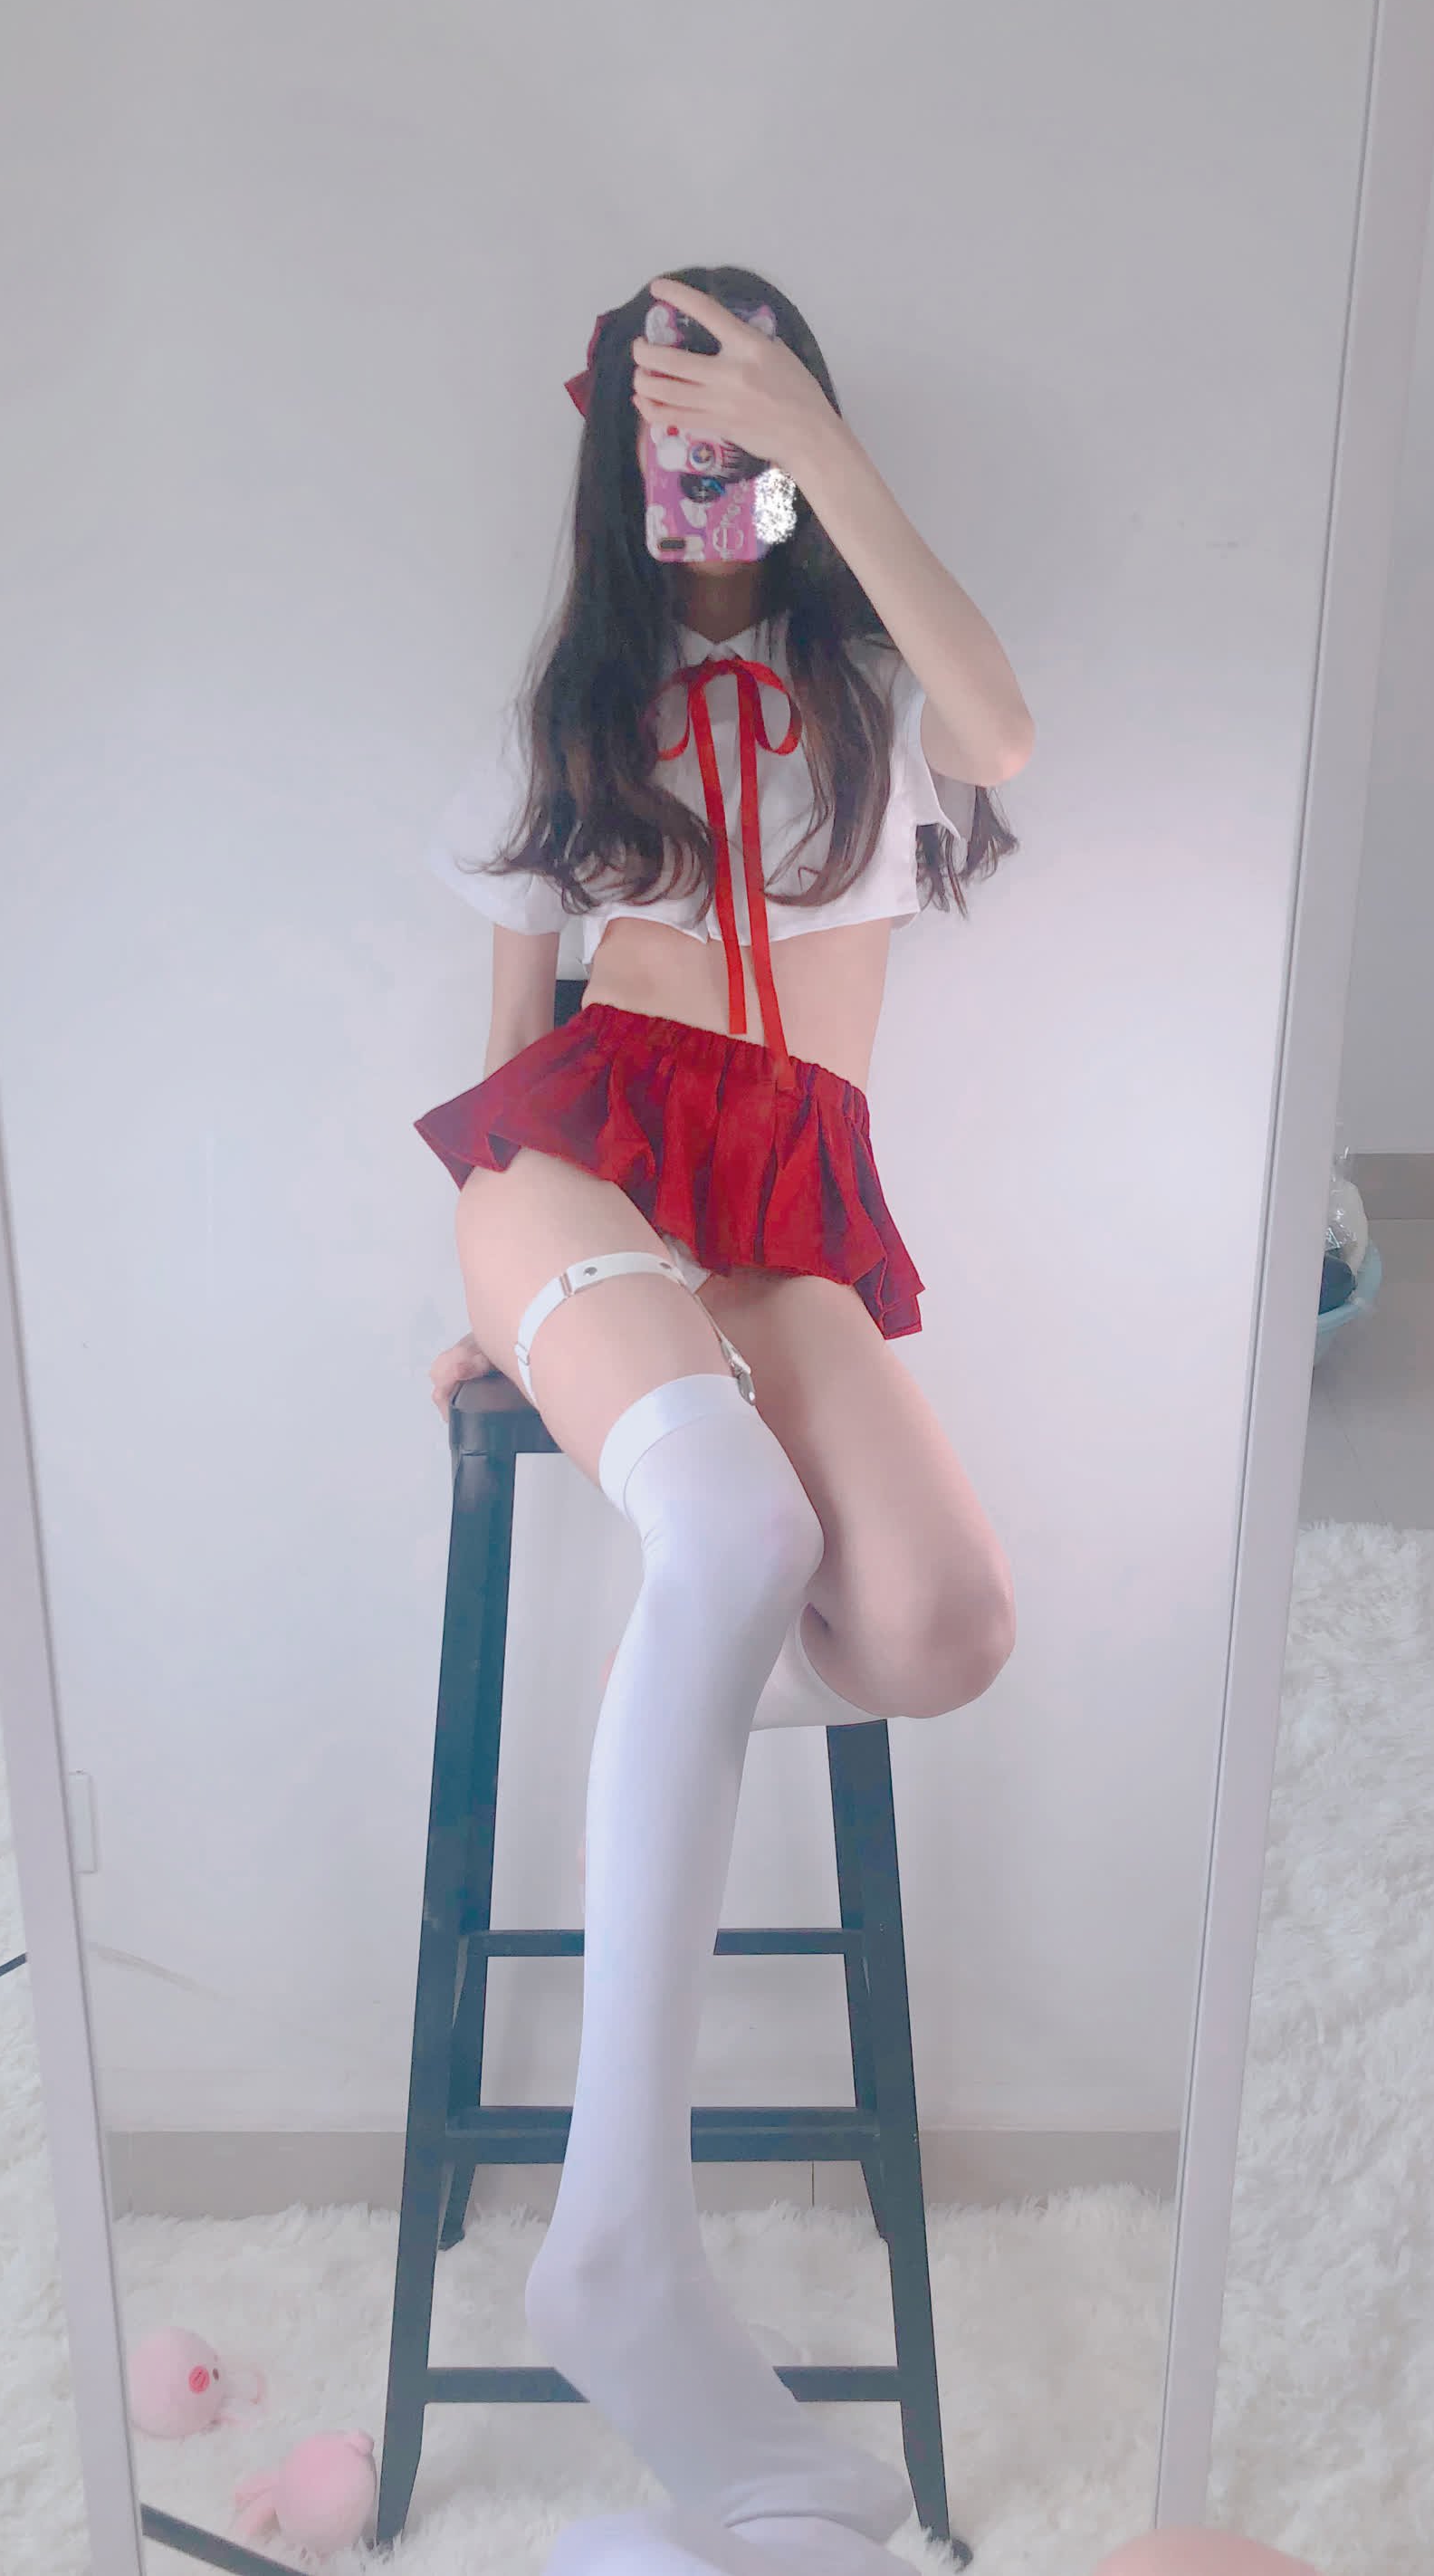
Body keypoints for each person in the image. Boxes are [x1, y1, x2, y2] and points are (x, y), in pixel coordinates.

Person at [415, 266, 1035, 2576]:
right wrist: (500, 1301)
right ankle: (617, 2238)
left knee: (943, 1629)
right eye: (671, 432)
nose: (711, 476)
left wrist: (812, 438)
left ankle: (677, 1658)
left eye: (742, 429)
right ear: (616, 458)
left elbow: (1007, 726)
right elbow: (508, 1034)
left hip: (782, 1210)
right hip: (574, 1163)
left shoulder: (878, 693)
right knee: (742, 1539)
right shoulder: (568, 708)